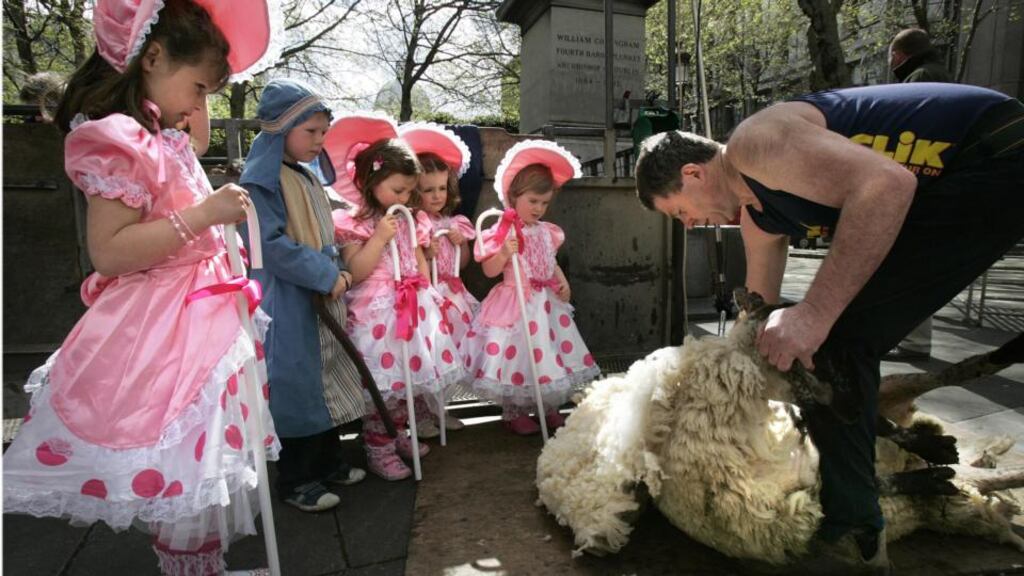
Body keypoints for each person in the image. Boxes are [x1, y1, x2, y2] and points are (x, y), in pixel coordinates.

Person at [633, 82, 1024, 573]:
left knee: (835, 341)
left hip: (994, 154)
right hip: (953, 182)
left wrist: (815, 315)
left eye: (679, 212)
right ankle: (852, 500)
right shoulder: (759, 218)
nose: (689, 225)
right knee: (819, 339)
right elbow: (758, 315)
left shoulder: (754, 144)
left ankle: (854, 536)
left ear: (693, 174)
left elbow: (887, 186)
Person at [2, 1, 280, 574]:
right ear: (152, 56)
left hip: (198, 314)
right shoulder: (118, 138)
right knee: (178, 459)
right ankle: (187, 565)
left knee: (200, 460)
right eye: (199, 88)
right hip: (163, 322)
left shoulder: (159, 134)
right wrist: (203, 216)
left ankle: (199, 560)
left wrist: (193, 108)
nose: (200, 106)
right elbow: (110, 250)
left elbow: (187, 154)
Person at [239, 79, 368, 514]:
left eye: (322, 133)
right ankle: (296, 479)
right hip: (288, 299)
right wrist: (323, 273)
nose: (319, 141)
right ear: (280, 128)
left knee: (325, 380)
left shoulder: (303, 174)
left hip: (320, 290)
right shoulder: (262, 178)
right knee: (295, 385)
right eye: (310, 132)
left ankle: (328, 461)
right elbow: (270, 244)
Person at [330, 121, 465, 480]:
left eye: (408, 191)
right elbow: (356, 270)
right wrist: (378, 238)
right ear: (371, 183)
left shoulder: (412, 218)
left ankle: (398, 433)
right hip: (379, 313)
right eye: (398, 190)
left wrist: (428, 291)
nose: (405, 198)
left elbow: (418, 262)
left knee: (409, 378)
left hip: (413, 306)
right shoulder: (353, 222)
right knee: (384, 384)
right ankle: (377, 445)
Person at [466, 141, 600, 436]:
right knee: (517, 356)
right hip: (515, 303)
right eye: (533, 201)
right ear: (514, 197)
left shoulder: (547, 232)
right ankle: (514, 410)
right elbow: (489, 270)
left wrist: (562, 281)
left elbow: (550, 263)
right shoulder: (501, 230)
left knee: (547, 354)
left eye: (544, 203)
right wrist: (503, 253)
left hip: (545, 302)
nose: (539, 208)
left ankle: (547, 406)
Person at [402, 122, 477, 438]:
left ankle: (439, 408)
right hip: (427, 296)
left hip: (452, 293)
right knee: (428, 355)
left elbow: (463, 264)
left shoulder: (454, 221)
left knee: (454, 352)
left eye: (441, 189)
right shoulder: (414, 223)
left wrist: (461, 244)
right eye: (428, 189)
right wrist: (427, 250)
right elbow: (415, 264)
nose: (436, 195)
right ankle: (418, 415)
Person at [886, 28, 953, 361]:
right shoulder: (942, 75)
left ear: (899, 55)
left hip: (918, 186)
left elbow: (905, 136)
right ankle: (913, 340)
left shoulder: (920, 80)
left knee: (905, 266)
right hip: (939, 185)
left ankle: (913, 343)